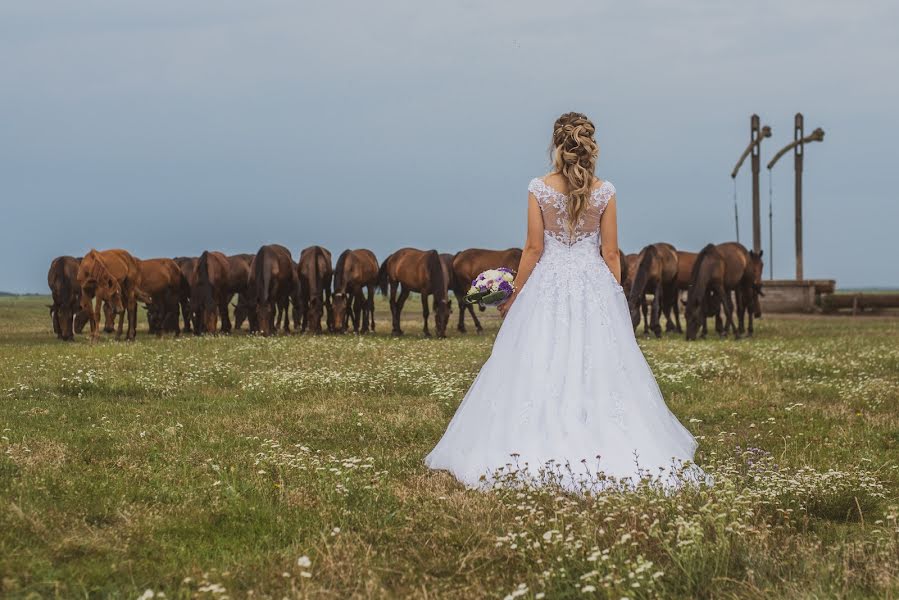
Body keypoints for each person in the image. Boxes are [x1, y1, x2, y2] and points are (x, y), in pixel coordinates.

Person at [424, 112, 703, 492]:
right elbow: (610, 254)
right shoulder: (605, 191)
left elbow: (534, 248)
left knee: (539, 355)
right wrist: (615, 296)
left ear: (556, 145)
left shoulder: (539, 188)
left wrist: (513, 294)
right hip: (592, 284)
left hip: (548, 284)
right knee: (602, 360)